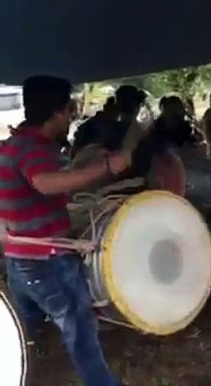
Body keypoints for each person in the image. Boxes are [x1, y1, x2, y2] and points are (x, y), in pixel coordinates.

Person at [0, 76, 129, 386]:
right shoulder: (34, 148)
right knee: (79, 325)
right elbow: (45, 183)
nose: (71, 115)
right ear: (57, 112)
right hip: (46, 259)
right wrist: (106, 169)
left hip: (19, 257)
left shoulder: (13, 145)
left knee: (24, 322)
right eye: (69, 109)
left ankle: (20, 366)